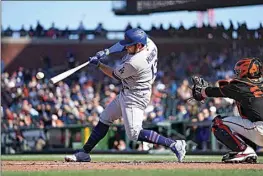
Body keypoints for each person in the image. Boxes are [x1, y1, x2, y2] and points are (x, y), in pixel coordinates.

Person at [64, 28, 186, 162]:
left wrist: (99, 64)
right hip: (130, 91)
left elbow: (114, 74)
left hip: (135, 96)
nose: (126, 47)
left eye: (130, 45)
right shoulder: (149, 43)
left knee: (134, 133)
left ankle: (175, 144)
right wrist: (107, 51)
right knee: (105, 118)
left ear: (139, 46)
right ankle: (84, 153)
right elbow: (123, 45)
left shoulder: (135, 63)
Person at [191, 58, 263, 163]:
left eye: (238, 71)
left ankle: (245, 151)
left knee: (217, 123)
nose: (237, 73)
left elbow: (216, 92)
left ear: (244, 71)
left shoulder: (241, 86)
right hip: (257, 126)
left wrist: (201, 91)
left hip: (259, 129)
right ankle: (248, 150)